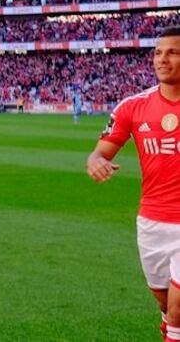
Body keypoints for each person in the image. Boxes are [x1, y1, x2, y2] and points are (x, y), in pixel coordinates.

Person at [86, 27, 180, 342]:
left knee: (179, 314)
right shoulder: (132, 107)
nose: (162, 59)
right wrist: (95, 161)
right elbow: (100, 151)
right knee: (168, 309)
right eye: (158, 52)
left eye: (173, 52)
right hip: (152, 223)